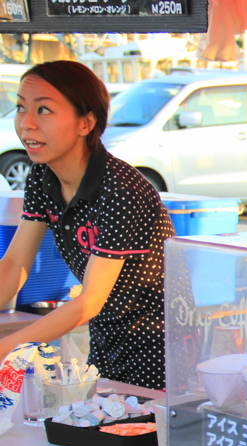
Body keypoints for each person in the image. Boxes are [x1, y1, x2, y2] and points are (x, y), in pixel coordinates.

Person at [0, 61, 174, 390]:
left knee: (139, 436)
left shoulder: (121, 190)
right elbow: (13, 265)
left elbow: (90, 299)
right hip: (105, 340)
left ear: (86, 122)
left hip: (156, 346)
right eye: (21, 108)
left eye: (44, 111)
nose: (26, 124)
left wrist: (6, 348)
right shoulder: (41, 176)